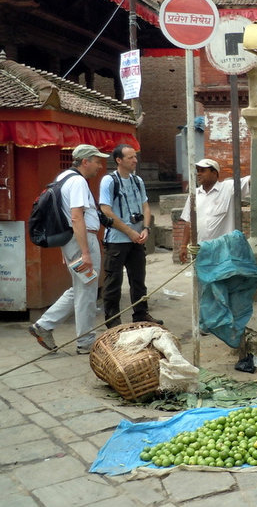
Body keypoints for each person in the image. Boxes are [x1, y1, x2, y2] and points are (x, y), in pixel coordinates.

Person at [28, 144, 109, 355]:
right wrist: (85, 252)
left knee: (81, 287)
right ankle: (85, 342)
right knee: (87, 291)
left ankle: (44, 326)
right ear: (85, 161)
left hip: (72, 240)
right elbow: (76, 217)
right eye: (97, 161)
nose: (99, 166)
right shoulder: (78, 181)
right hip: (83, 239)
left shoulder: (63, 177)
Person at [99, 144, 162, 327]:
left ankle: (141, 314)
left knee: (138, 279)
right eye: (130, 158)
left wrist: (146, 228)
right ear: (119, 160)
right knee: (113, 282)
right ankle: (113, 322)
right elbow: (106, 210)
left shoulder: (137, 181)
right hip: (117, 240)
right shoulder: (109, 181)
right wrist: (129, 231)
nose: (135, 160)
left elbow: (146, 206)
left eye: (135, 157)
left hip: (137, 238)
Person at [178, 158, 242, 263]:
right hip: (202, 250)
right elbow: (188, 223)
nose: (198, 174)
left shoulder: (228, 188)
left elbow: (249, 181)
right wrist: (184, 246)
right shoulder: (194, 195)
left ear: (214, 173)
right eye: (198, 171)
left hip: (225, 251)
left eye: (203, 171)